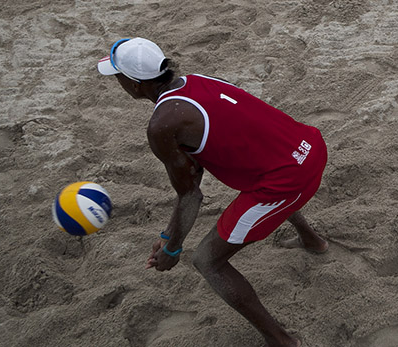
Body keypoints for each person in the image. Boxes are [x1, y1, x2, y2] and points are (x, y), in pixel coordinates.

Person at [98, 37, 329, 347]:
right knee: (260, 168)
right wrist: (168, 235)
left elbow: (191, 194)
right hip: (310, 146)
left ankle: (282, 341)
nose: (117, 82)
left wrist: (172, 249)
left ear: (136, 84)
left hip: (290, 181)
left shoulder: (161, 126)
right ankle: (312, 240)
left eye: (118, 76)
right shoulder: (199, 80)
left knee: (207, 260)